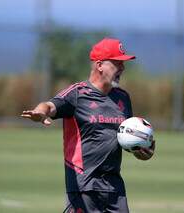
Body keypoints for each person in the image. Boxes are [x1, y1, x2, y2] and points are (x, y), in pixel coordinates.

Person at [21, 38, 155, 213]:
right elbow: (49, 106)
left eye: (123, 63)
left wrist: (144, 150)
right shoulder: (77, 94)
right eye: (117, 63)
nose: (122, 68)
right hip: (83, 188)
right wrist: (40, 113)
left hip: (115, 189)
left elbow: (128, 137)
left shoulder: (123, 98)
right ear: (99, 65)